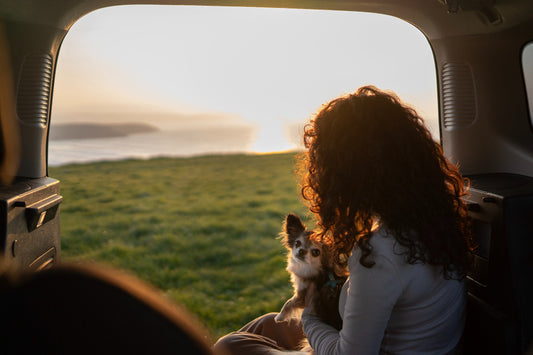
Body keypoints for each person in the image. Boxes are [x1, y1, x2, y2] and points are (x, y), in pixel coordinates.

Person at [214, 86, 474, 354]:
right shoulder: (433, 222)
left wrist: (310, 316)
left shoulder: (381, 253)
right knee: (266, 324)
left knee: (230, 346)